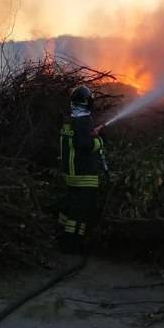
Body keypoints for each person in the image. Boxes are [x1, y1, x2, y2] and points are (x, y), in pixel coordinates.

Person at [57, 85, 106, 254]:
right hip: (84, 175)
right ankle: (73, 244)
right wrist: (98, 141)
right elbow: (84, 145)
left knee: (70, 206)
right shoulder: (83, 121)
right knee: (82, 211)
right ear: (87, 102)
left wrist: (90, 133)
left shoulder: (69, 120)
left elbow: (75, 141)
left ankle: (61, 236)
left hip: (71, 174)